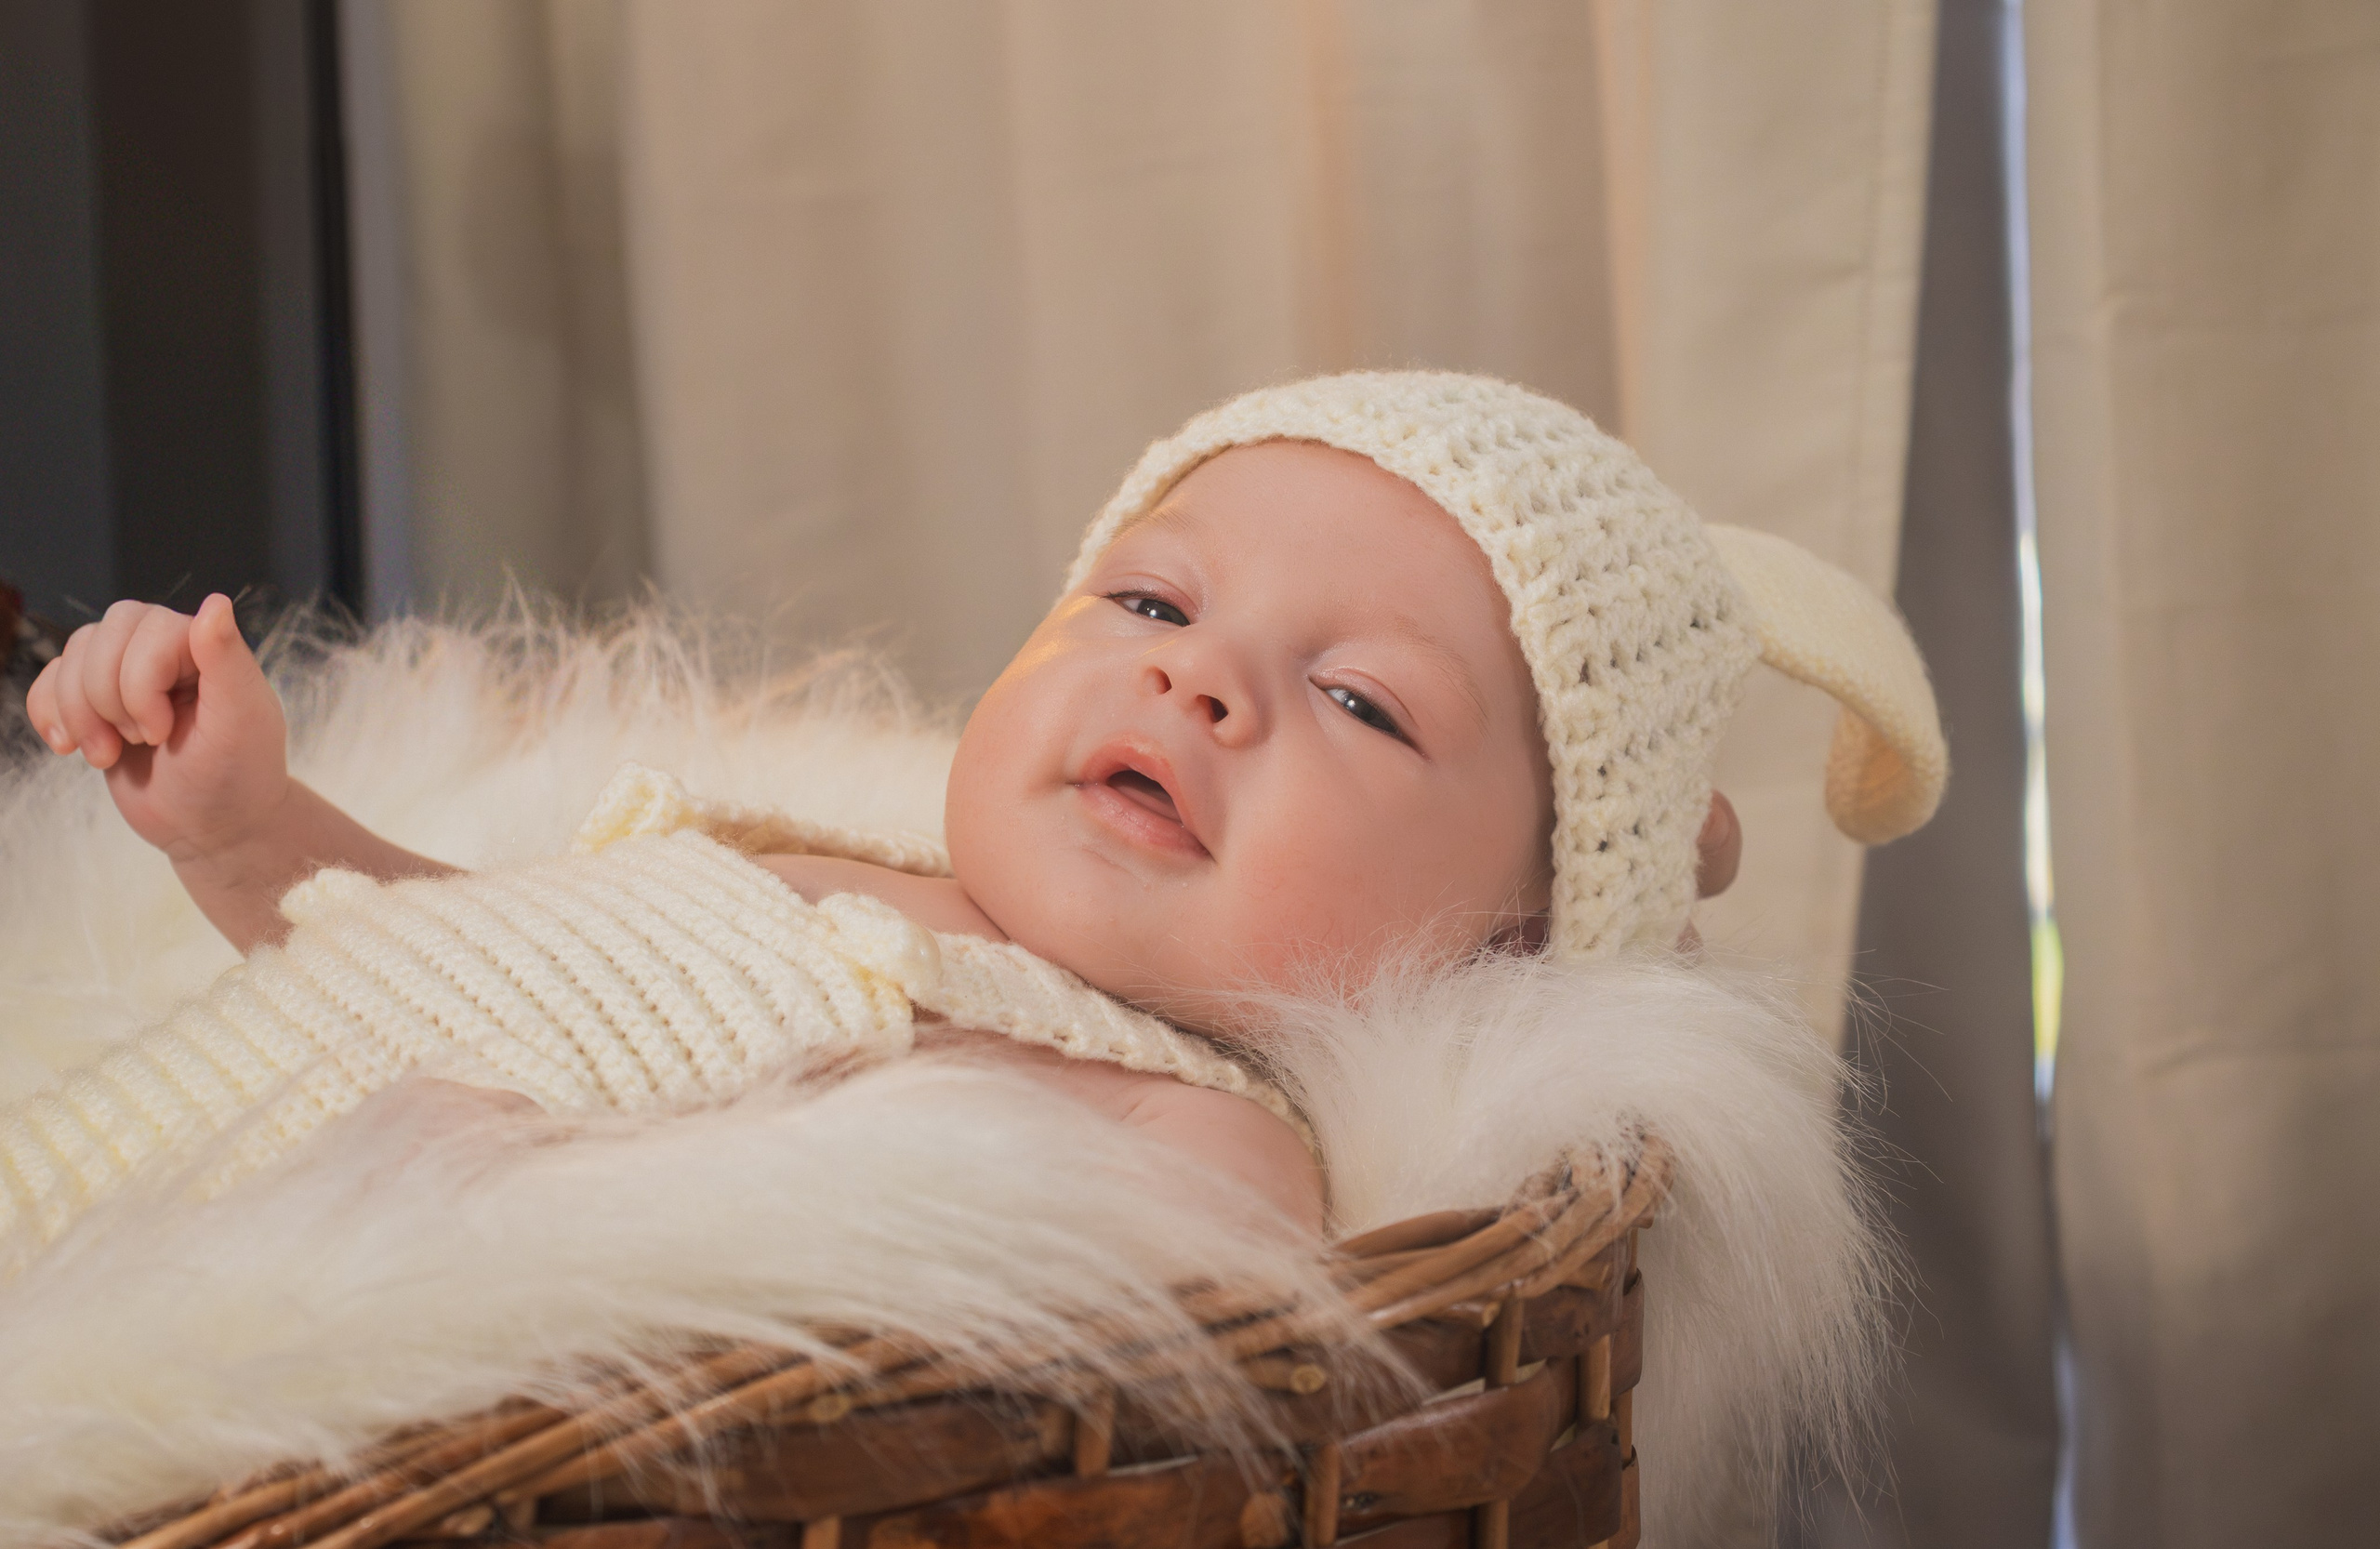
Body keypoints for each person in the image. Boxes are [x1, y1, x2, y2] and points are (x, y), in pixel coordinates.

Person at [14, 372, 1932, 1246]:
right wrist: (253, 829)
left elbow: (940, 1367)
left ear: (1509, 936)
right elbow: (439, 944)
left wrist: (559, 1197)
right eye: (1152, 603)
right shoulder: (811, 863)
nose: (1197, 681)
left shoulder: (1197, 1134)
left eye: (1358, 700)